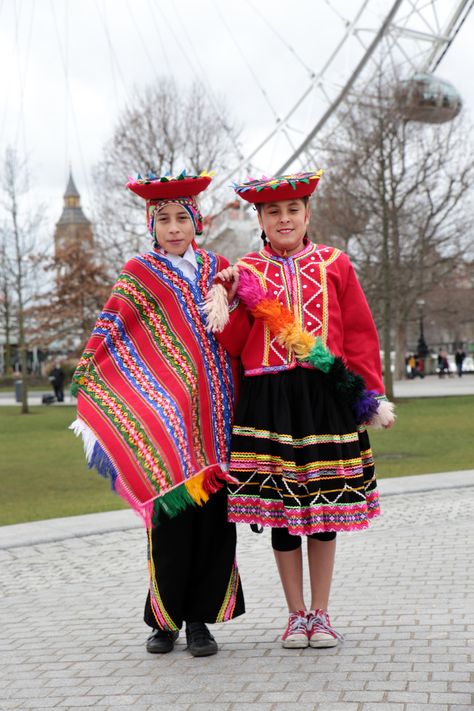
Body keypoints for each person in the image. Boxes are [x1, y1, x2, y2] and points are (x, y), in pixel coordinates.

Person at [204, 170, 395, 649]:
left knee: (323, 511)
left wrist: (367, 395)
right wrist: (226, 296)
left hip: (323, 398)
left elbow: (358, 333)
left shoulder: (336, 263)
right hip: (270, 404)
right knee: (286, 513)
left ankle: (322, 613)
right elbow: (234, 342)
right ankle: (295, 615)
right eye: (273, 212)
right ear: (261, 219)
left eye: (293, 210)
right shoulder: (245, 270)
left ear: (307, 213)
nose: (284, 219)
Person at [71, 170, 244, 657]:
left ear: (197, 222)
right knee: (168, 523)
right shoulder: (140, 272)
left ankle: (199, 623)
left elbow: (241, 327)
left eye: (181, 218)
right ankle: (164, 621)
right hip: (167, 422)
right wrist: (90, 372)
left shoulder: (218, 268)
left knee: (213, 523)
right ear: (152, 225)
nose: (173, 227)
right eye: (163, 218)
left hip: (216, 419)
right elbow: (115, 332)